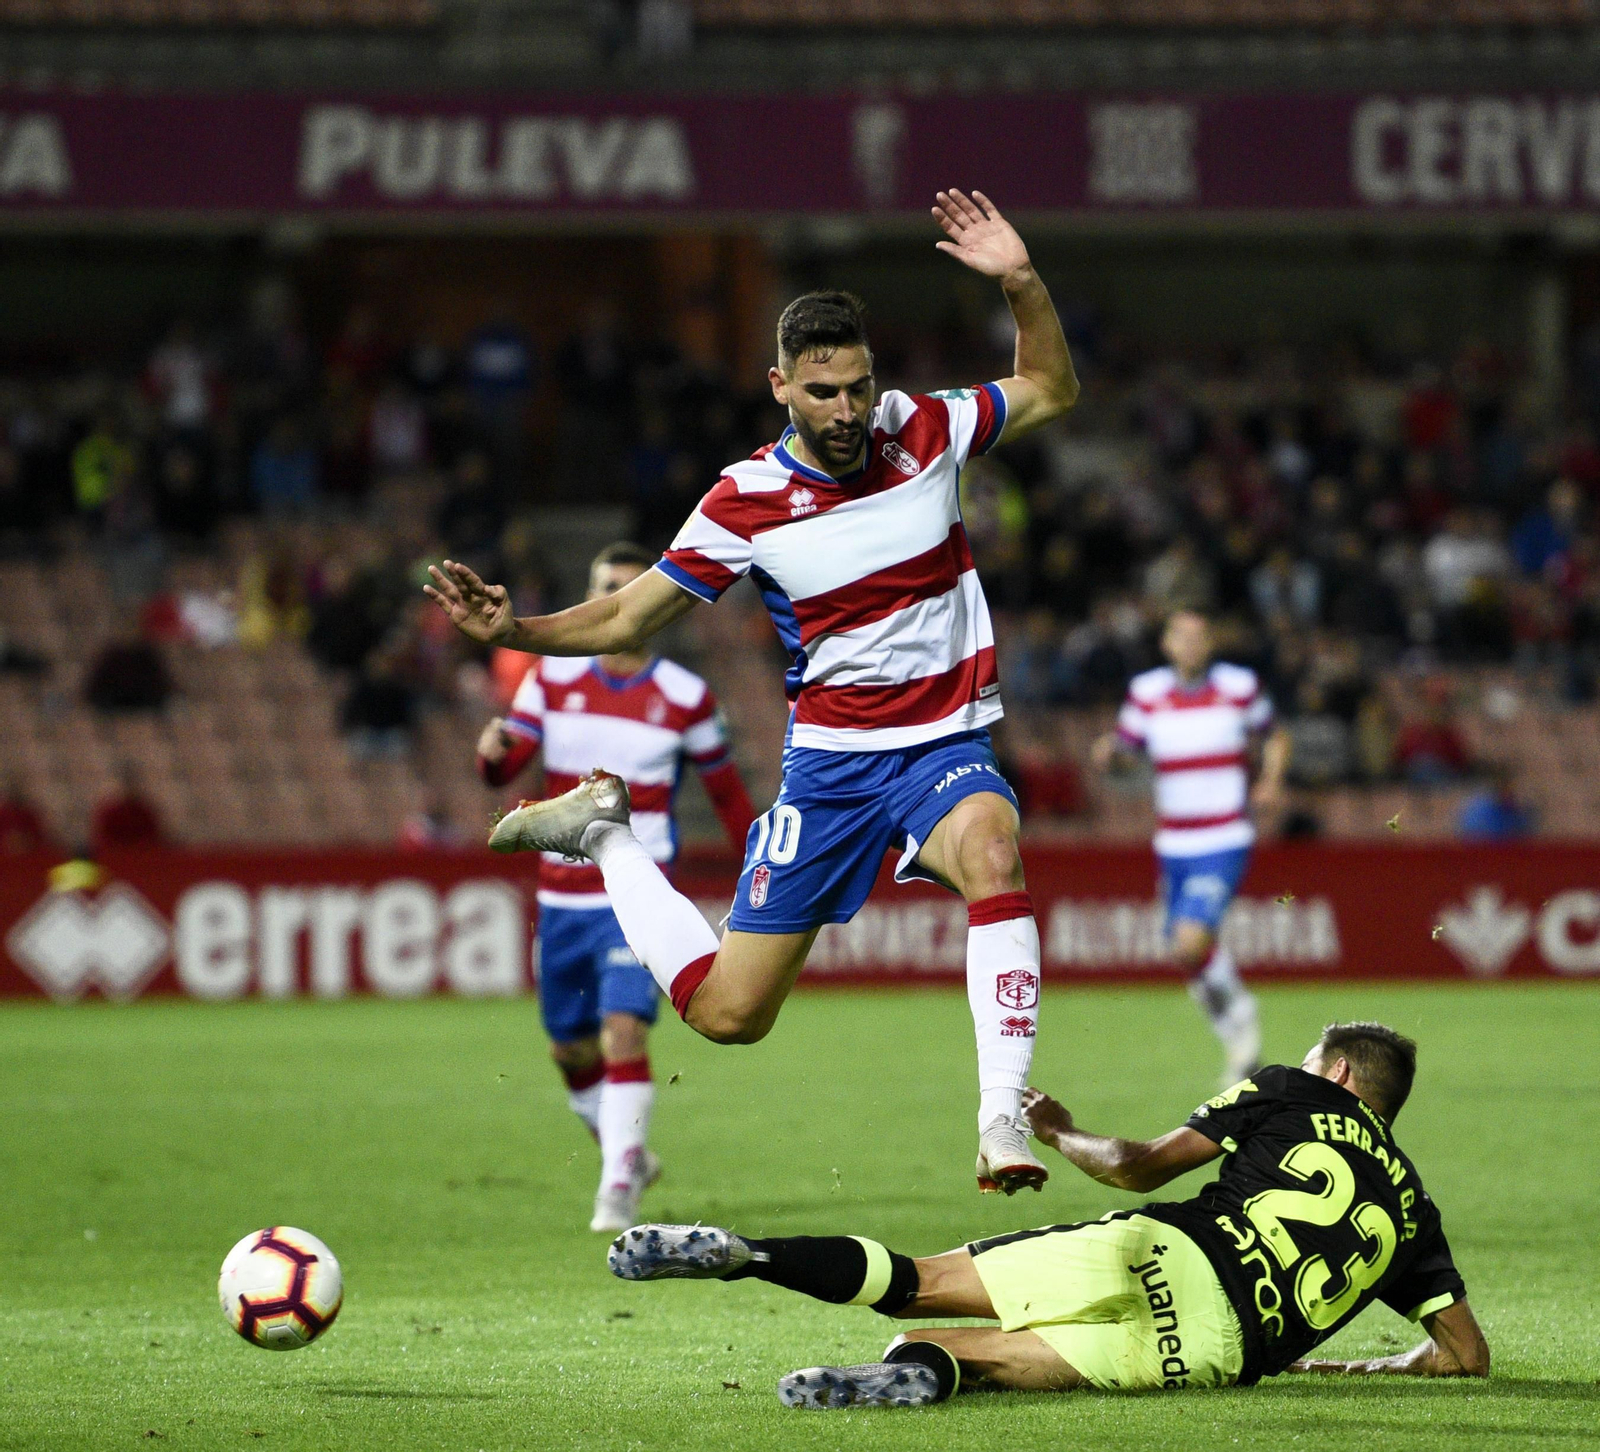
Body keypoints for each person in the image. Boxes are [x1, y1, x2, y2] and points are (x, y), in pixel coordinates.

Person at [427, 188, 1081, 1193]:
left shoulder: (925, 431)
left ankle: (1001, 1121)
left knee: (995, 850)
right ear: (780, 386)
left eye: (859, 387)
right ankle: (604, 833)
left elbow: (1047, 386)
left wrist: (1020, 283)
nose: (850, 412)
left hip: (940, 746)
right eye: (824, 394)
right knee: (729, 1016)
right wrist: (512, 630)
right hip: (827, 771)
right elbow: (624, 619)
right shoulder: (745, 501)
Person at [609, 1021, 1487, 1409]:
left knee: (916, 1289)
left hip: (1163, 1251)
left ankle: (745, 1256)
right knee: (973, 1359)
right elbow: (1465, 1356)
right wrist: (1354, 1369)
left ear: (1334, 1074)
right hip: (1207, 1355)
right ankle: (922, 1378)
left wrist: (1063, 1133)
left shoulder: (1292, 1091)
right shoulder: (1415, 1211)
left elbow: (1140, 1167)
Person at [476, 541, 756, 1232]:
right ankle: (623, 1151)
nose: (619, 600)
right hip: (560, 897)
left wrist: (761, 873)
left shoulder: (686, 697)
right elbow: (505, 764)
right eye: (607, 586)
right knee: (567, 1049)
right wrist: (491, 755)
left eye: (632, 590)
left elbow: (727, 798)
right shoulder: (548, 681)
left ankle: (616, 1194)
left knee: (622, 1034)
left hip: (638, 892)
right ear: (595, 595)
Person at [1091, 611, 1289, 1086]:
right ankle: (1238, 1041)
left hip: (1223, 835)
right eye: (1183, 636)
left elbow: (1276, 734)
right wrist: (1110, 756)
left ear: (1211, 642)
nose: (1192, 644)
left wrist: (1270, 779)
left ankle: (1241, 1016)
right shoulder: (1146, 693)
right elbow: (1125, 754)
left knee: (1190, 939)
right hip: (1173, 840)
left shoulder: (1239, 685)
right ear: (1167, 644)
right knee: (1183, 953)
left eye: (1200, 635)